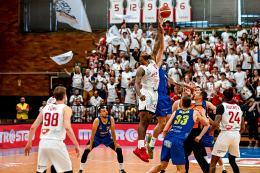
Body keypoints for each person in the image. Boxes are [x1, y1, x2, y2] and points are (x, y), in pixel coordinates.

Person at [24, 86, 80, 173]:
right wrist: (76, 144)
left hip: (43, 143)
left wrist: (29, 143)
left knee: (41, 171)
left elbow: (33, 127)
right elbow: (67, 127)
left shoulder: (45, 108)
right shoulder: (66, 108)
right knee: (68, 170)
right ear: (65, 96)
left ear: (54, 96)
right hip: (57, 143)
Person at [147, 96, 209, 173]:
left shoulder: (176, 112)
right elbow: (207, 124)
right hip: (177, 141)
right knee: (182, 170)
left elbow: (165, 129)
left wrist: (167, 139)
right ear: (191, 104)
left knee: (162, 166)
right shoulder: (195, 113)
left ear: (181, 104)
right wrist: (204, 114)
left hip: (167, 139)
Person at [132, 17, 164, 162]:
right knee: (144, 120)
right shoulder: (141, 68)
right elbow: (136, 83)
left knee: (149, 121)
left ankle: (141, 147)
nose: (145, 51)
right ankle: (140, 147)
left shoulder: (151, 60)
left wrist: (160, 27)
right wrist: (140, 94)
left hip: (154, 93)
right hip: (146, 92)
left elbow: (157, 43)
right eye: (142, 52)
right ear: (139, 58)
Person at [78, 106, 126, 173]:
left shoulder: (111, 119)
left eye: (106, 110)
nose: (106, 112)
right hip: (97, 138)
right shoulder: (97, 120)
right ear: (100, 114)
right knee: (86, 151)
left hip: (107, 137)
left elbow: (113, 132)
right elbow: (93, 133)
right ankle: (80, 170)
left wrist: (115, 144)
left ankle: (121, 170)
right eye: (104, 111)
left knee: (119, 150)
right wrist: (90, 145)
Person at [209, 88, 245, 173]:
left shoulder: (221, 107)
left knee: (213, 162)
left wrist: (210, 131)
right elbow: (243, 127)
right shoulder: (238, 107)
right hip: (236, 134)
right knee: (232, 161)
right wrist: (236, 133)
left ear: (223, 97)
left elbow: (216, 123)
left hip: (225, 133)